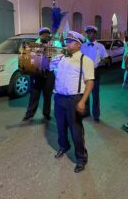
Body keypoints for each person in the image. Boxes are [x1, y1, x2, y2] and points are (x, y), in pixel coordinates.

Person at [51, 30, 94, 173]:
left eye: (69, 42)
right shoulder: (61, 57)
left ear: (77, 44)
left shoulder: (85, 60)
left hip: (74, 99)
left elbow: (89, 83)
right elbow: (47, 67)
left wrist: (82, 101)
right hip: (59, 98)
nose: (66, 43)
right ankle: (63, 146)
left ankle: (81, 158)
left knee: (76, 131)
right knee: (60, 127)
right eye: (67, 41)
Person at [22, 27, 59, 122]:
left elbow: (58, 59)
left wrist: (50, 56)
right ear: (40, 35)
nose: (46, 35)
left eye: (47, 34)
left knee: (48, 95)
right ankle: (29, 114)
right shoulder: (33, 45)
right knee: (34, 94)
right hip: (36, 73)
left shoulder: (55, 44)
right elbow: (28, 58)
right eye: (43, 34)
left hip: (49, 73)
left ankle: (46, 114)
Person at [81, 25, 108, 122]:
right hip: (84, 71)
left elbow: (105, 58)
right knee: (85, 93)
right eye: (88, 33)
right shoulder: (82, 46)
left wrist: (104, 60)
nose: (90, 34)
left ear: (95, 34)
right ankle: (86, 112)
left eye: (92, 32)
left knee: (95, 94)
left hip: (95, 71)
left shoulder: (100, 46)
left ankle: (96, 115)